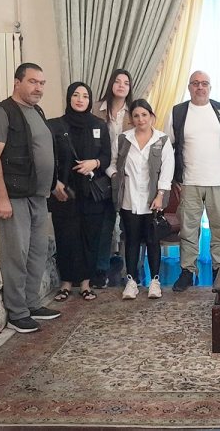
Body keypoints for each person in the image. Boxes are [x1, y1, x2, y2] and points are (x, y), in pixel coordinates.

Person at [0, 63, 62, 333]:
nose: (38, 88)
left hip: (37, 196)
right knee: (16, 255)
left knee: (37, 252)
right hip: (13, 198)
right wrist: (2, 198)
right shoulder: (0, 113)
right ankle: (17, 313)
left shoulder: (37, 111)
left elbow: (39, 153)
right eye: (32, 82)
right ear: (17, 82)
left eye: (42, 83)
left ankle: (32, 304)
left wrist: (54, 183)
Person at [166, 71, 220, 292]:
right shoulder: (178, 112)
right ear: (189, 87)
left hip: (218, 181)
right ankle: (187, 271)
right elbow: (169, 147)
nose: (200, 87)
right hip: (189, 182)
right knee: (188, 230)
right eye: (195, 83)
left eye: (204, 83)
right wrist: (175, 178)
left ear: (210, 87)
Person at [47, 81, 111, 302]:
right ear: (69, 98)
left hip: (91, 193)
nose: (80, 99)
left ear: (90, 100)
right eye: (76, 95)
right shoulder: (55, 126)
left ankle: (85, 284)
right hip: (63, 192)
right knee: (65, 238)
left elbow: (107, 156)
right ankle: (66, 283)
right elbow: (47, 158)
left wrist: (94, 163)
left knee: (90, 238)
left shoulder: (99, 125)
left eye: (85, 96)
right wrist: (54, 183)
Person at [108, 99, 174, 299]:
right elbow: (111, 164)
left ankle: (154, 281)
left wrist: (160, 195)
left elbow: (167, 170)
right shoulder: (123, 139)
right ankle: (132, 281)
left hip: (153, 200)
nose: (140, 119)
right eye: (136, 115)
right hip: (129, 199)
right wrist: (115, 176)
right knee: (132, 240)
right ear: (131, 119)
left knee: (153, 240)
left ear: (151, 116)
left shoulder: (162, 140)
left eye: (144, 115)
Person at [94, 69, 134, 288]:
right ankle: (101, 269)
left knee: (130, 225)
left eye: (126, 83)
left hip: (127, 174)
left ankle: (132, 271)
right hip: (100, 172)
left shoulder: (134, 111)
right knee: (104, 224)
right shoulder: (96, 109)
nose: (121, 85)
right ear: (111, 84)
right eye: (117, 81)